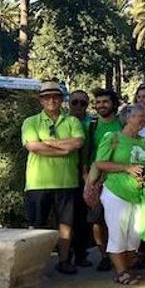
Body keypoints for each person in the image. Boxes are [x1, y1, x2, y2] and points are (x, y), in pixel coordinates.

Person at [21, 80, 85, 275]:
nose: (52, 100)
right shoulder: (31, 122)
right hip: (38, 182)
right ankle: (33, 266)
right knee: (37, 225)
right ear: (41, 101)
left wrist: (48, 143)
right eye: (47, 97)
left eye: (56, 97)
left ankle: (64, 260)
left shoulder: (72, 121)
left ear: (61, 99)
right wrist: (62, 149)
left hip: (66, 182)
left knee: (66, 225)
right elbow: (33, 146)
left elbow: (78, 142)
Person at [94, 104, 145, 285]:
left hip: (139, 195)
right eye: (139, 116)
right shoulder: (113, 138)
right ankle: (121, 271)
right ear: (128, 118)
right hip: (116, 192)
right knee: (117, 233)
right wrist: (126, 168)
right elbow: (100, 163)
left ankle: (128, 268)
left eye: (144, 116)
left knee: (134, 236)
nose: (144, 120)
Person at [82, 88, 123, 272]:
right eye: (98, 102)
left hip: (118, 176)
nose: (101, 106)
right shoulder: (91, 125)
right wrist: (86, 178)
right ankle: (104, 255)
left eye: (105, 102)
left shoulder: (122, 124)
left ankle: (121, 254)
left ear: (113, 104)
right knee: (97, 219)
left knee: (118, 219)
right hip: (96, 177)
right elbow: (86, 153)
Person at [68, 89, 93, 268]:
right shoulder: (63, 121)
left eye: (82, 103)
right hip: (66, 173)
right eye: (75, 102)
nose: (78, 106)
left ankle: (81, 253)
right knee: (66, 217)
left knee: (83, 217)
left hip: (88, 174)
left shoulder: (92, 122)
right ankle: (65, 254)